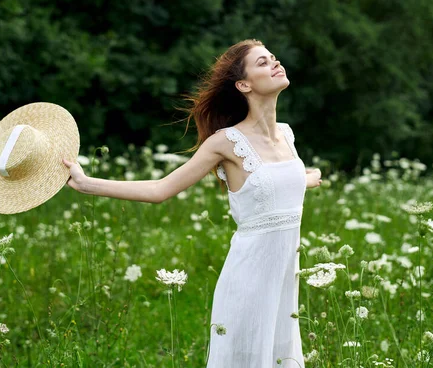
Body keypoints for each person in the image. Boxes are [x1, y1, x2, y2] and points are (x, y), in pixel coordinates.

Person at [63, 39, 322, 367]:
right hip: (249, 283)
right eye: (262, 62)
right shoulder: (226, 142)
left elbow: (282, 184)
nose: (275, 63)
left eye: (273, 58)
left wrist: (309, 177)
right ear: (244, 85)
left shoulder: (287, 135)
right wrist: (86, 184)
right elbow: (161, 189)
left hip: (285, 283)